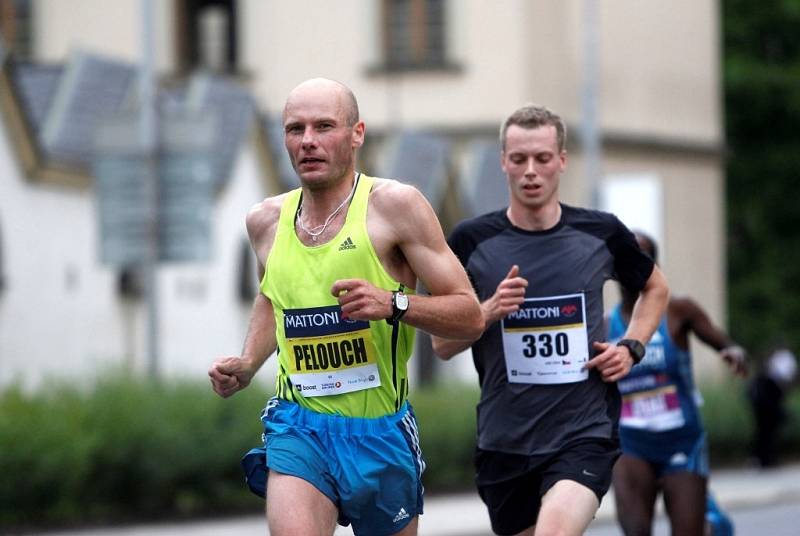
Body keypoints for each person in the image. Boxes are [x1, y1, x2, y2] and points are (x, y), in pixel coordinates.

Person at [207, 78, 483, 536]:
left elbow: (469, 315)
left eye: (324, 126)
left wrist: (392, 303)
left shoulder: (395, 206)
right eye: (296, 129)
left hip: (379, 433)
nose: (309, 141)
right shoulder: (265, 221)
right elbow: (272, 296)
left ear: (357, 134)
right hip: (300, 426)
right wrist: (249, 362)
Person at [431, 104, 669, 536]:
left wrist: (632, 346)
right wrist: (489, 310)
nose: (530, 171)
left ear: (561, 160)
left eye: (542, 158)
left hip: (583, 433)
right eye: (519, 159)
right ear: (503, 160)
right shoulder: (471, 241)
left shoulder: (601, 233)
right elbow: (441, 345)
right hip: (504, 441)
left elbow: (656, 288)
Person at [607, 231, 748, 536]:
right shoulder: (605, 326)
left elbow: (721, 340)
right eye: (626, 258)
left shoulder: (679, 311)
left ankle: (711, 525)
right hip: (631, 443)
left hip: (681, 441)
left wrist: (733, 351)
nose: (633, 265)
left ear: (654, 265)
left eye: (641, 257)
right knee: (635, 530)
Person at [748, 343, 797, 468]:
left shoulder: (764, 381)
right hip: (766, 411)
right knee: (765, 435)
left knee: (767, 435)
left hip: (766, 410)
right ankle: (765, 459)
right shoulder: (766, 382)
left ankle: (767, 459)